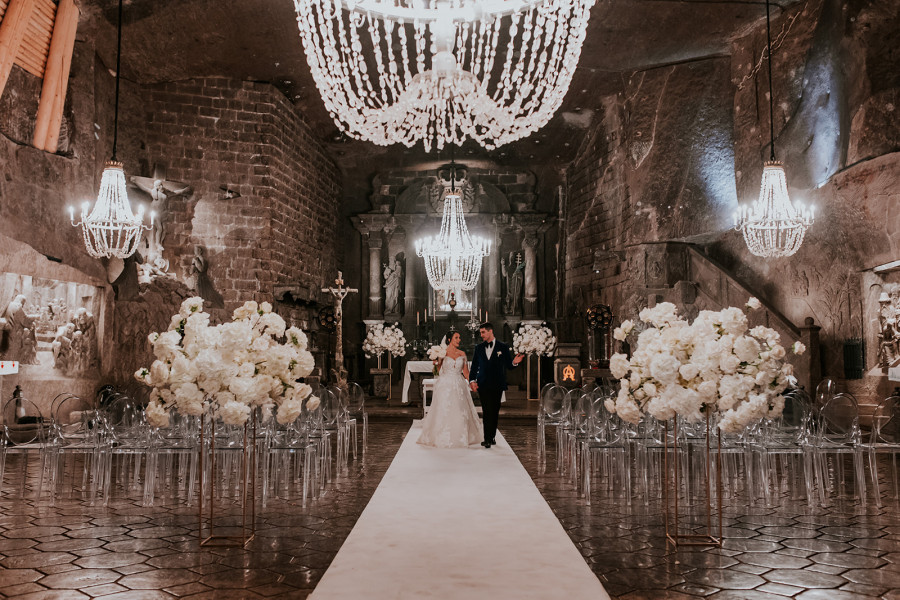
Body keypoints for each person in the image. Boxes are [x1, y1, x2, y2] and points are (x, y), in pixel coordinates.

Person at [418, 331, 482, 448]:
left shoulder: (462, 353)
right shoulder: (442, 353)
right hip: (445, 384)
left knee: (460, 408)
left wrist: (473, 382)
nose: (459, 340)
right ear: (449, 340)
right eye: (456, 337)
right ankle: (442, 436)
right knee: (444, 408)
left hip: (459, 383)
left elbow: (466, 372)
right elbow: (436, 371)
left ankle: (460, 436)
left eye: (459, 337)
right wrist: (435, 363)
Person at [469, 322, 524, 448]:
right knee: (486, 411)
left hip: (497, 384)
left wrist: (515, 362)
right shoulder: (479, 348)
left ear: (490, 331)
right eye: (480, 332)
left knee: (494, 411)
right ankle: (487, 438)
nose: (481, 335)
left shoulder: (503, 347)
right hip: (483, 383)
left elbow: (509, 365)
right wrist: (472, 380)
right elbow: (474, 366)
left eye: (483, 332)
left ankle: (492, 436)